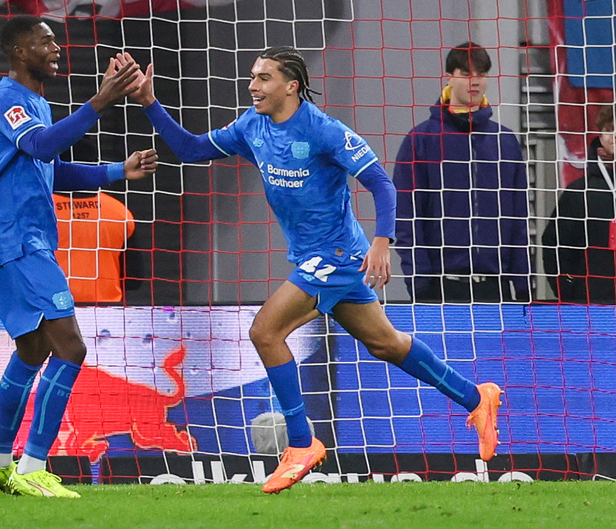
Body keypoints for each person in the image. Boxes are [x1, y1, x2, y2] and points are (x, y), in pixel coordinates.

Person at [129, 47, 502, 494]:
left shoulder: (325, 131)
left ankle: (301, 443)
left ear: (290, 85)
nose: (253, 86)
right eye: (252, 76)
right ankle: (476, 396)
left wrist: (383, 241)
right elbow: (190, 150)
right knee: (387, 344)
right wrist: (149, 102)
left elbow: (381, 183)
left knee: (265, 331)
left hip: (337, 255)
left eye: (264, 78)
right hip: (314, 256)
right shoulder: (252, 126)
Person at [0, 15, 157, 498]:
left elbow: (51, 168)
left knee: (32, 351)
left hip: (13, 239)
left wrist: (120, 168)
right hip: (16, 238)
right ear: (18, 51)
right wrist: (102, 99)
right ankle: (33, 466)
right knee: (70, 348)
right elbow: (40, 144)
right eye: (46, 40)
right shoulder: (7, 97)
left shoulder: (36, 102)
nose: (56, 47)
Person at [393, 42, 531, 303]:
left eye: (481, 74)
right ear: (449, 77)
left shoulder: (505, 141)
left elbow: (518, 217)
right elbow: (406, 216)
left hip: (496, 290)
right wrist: (420, 285)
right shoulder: (421, 141)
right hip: (440, 289)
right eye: (467, 73)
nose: (475, 81)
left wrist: (522, 284)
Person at [542, 106, 616, 304]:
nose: (614, 135)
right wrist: (571, 289)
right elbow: (554, 244)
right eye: (609, 129)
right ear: (600, 135)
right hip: (592, 306)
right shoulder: (579, 192)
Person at [53, 191, 136, 304]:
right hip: (106, 307)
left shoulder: (37, 208)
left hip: (53, 305)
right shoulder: (118, 210)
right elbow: (134, 276)